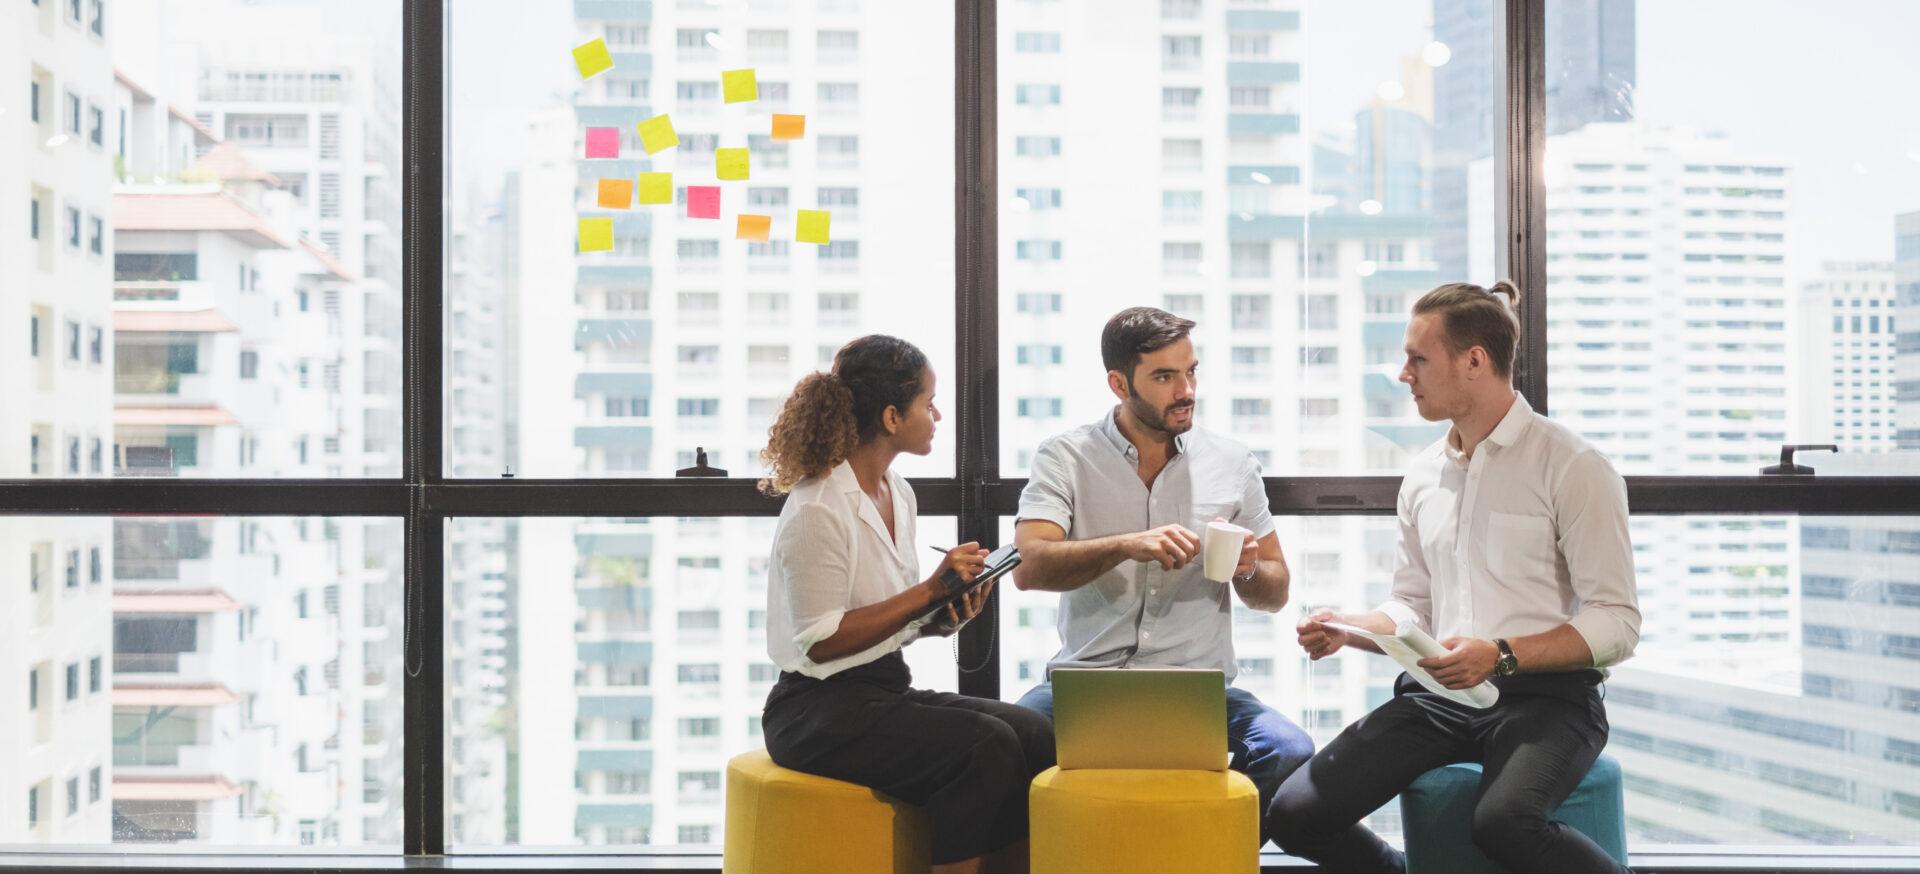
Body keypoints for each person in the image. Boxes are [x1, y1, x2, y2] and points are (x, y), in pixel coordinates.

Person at [1269, 281, 1641, 874]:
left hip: (1548, 699)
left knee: (1503, 823)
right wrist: (1351, 628)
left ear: (1474, 361)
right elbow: (1411, 605)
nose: (1402, 374)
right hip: (1440, 697)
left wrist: (1500, 655)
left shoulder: (1574, 466)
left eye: (1418, 358)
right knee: (1293, 812)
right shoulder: (1422, 477)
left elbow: (1617, 624)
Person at [1009, 306, 1315, 848]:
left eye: (1191, 372)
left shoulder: (1232, 462)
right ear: (1118, 383)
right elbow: (1030, 566)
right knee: (1003, 744)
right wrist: (1128, 545)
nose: (1186, 390)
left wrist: (1247, 570)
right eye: (1165, 377)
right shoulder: (1065, 456)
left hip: (1200, 688)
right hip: (1087, 684)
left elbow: (1277, 587)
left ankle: (1197, 851)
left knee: (1288, 750)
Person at [758, 334, 1054, 874]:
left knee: (1034, 735)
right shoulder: (817, 507)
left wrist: (941, 615)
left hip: (882, 689)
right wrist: (927, 593)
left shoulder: (898, 492)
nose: (937, 414)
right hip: (813, 710)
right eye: (928, 403)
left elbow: (887, 616)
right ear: (892, 417)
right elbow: (822, 643)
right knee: (982, 747)